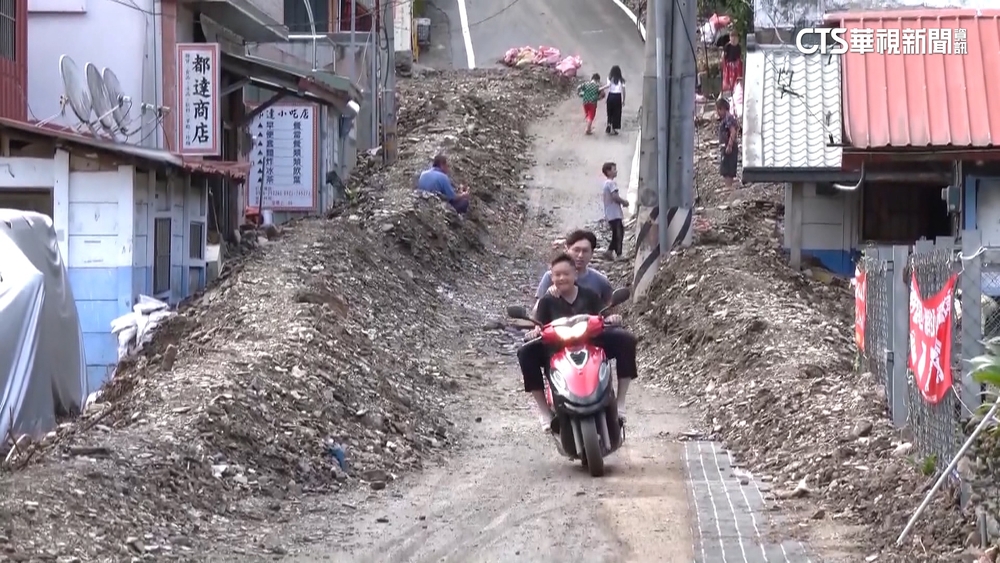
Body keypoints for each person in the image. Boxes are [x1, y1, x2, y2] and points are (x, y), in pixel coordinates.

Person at [517, 253, 637, 430]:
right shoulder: (547, 301)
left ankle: (620, 402)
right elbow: (539, 326)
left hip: (591, 342)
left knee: (626, 339)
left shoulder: (588, 295)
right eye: (557, 275)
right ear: (551, 277)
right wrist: (534, 333)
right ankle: (544, 411)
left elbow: (603, 315)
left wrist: (613, 318)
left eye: (566, 273)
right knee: (525, 352)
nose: (561, 278)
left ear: (575, 274)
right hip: (556, 347)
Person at [533, 229, 613, 314]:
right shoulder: (550, 277)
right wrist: (548, 294)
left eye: (585, 251)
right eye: (576, 250)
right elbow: (536, 313)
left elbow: (610, 310)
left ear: (592, 253)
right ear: (567, 249)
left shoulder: (600, 281)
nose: (580, 255)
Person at [600, 162, 627, 261]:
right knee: (619, 234)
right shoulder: (611, 183)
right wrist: (624, 202)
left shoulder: (606, 183)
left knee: (616, 233)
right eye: (614, 169)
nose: (616, 171)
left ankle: (609, 252)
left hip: (610, 213)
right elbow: (615, 196)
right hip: (614, 213)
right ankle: (619, 254)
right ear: (608, 171)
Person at [717, 98, 739, 189]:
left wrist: (729, 145)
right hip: (725, 146)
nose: (717, 112)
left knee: (728, 167)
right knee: (725, 167)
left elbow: (733, 132)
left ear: (722, 108)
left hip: (730, 147)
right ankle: (727, 185)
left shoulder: (728, 118)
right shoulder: (725, 119)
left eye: (718, 110)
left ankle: (729, 186)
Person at [602, 66, 626, 135]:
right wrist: (623, 100)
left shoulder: (609, 78)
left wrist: (601, 88)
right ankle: (613, 128)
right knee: (616, 113)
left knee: (610, 112)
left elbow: (608, 85)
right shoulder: (622, 80)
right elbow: (624, 91)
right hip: (617, 97)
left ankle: (609, 124)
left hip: (610, 96)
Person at [721, 30, 743, 95]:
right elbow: (723, 56)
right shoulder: (727, 46)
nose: (734, 39)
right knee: (729, 79)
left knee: (737, 78)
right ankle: (729, 89)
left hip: (737, 65)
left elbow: (740, 56)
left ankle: (736, 89)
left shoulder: (739, 46)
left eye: (735, 38)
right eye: (732, 37)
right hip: (729, 65)